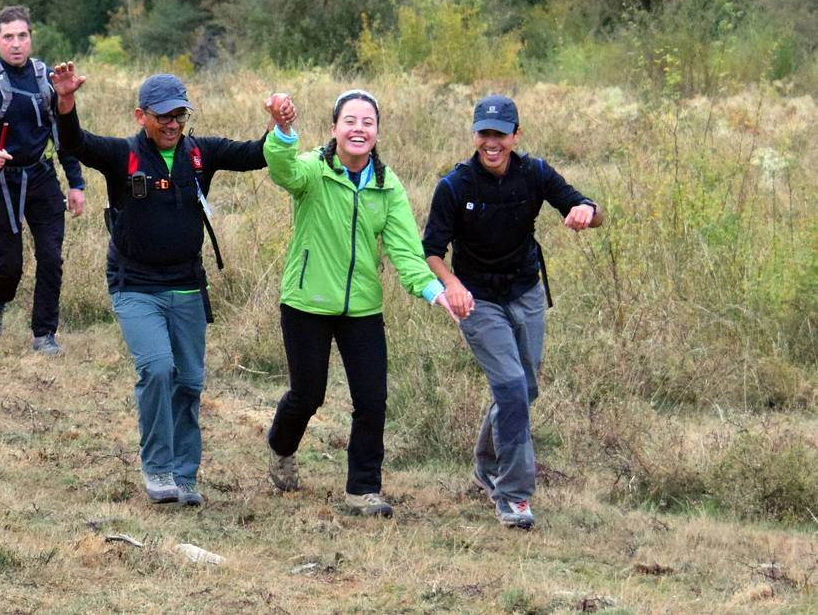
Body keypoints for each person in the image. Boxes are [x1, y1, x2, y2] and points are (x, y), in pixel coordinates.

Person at [49, 67, 276, 506]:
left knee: (189, 382)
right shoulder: (123, 156)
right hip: (135, 284)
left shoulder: (200, 154)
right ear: (141, 116)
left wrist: (278, 125)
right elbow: (75, 143)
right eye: (163, 116)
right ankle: (156, 468)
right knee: (157, 369)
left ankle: (184, 474)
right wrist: (65, 103)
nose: (172, 124)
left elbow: (256, 154)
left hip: (187, 285)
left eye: (180, 115)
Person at [261, 88, 452, 517]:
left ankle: (363, 489)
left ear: (378, 132)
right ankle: (281, 445)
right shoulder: (313, 169)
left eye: (368, 123)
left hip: (362, 308)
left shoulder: (387, 185)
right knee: (308, 395)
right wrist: (283, 129)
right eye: (350, 121)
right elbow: (282, 170)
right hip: (307, 301)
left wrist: (434, 291)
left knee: (372, 399)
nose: (359, 129)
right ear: (334, 129)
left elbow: (405, 250)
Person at [423, 94, 604, 530]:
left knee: (525, 390)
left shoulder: (536, 173)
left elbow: (592, 211)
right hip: (478, 300)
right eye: (484, 133)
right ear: (474, 134)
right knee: (509, 386)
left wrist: (585, 212)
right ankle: (514, 496)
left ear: (515, 135)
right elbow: (430, 251)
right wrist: (452, 286)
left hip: (525, 292)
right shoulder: (455, 186)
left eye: (500, 134)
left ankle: (486, 464)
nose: (492, 142)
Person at [0, 6, 86, 355]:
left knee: (51, 256)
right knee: (10, 262)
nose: (16, 44)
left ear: (30, 38)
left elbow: (64, 135)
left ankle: (44, 334)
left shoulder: (47, 80)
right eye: (8, 37)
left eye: (22, 36)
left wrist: (75, 183)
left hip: (41, 177)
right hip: (0, 180)